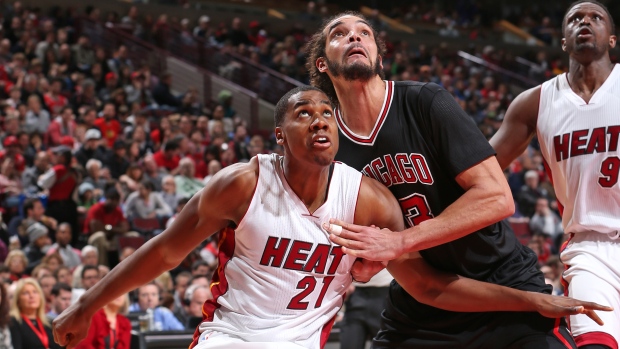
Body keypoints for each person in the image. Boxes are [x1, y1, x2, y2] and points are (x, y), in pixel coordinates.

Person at [53, 87, 610, 349]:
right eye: (303, 112)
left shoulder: (368, 201)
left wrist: (531, 298)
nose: (319, 119)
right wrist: (87, 301)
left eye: (327, 112)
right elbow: (164, 252)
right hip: (230, 337)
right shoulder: (241, 184)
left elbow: (432, 288)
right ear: (280, 133)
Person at [306, 12, 589, 348]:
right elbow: (425, 285)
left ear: (379, 58)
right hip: (428, 306)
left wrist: (402, 241)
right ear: (322, 64)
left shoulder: (425, 101)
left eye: (364, 32)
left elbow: (497, 197)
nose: (354, 37)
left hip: (503, 278)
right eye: (340, 34)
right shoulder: (331, 149)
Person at [490, 1, 620, 347]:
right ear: (563, 40)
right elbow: (481, 167)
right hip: (590, 248)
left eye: (596, 17)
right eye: (575, 18)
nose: (585, 22)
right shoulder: (536, 102)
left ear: (612, 39)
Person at [9, 278, 62, 349]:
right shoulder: (13, 322)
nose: (31, 296)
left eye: (35, 292)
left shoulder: (49, 322)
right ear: (18, 299)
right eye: (26, 293)